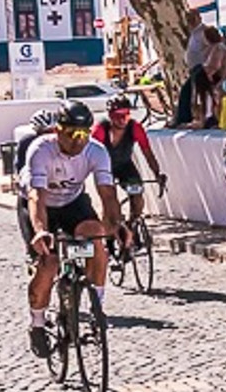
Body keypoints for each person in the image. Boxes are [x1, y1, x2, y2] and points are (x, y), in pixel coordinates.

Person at [21, 101, 123, 358]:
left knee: (96, 238)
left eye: (84, 134)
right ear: (57, 131)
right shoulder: (41, 150)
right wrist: (41, 231)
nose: (78, 141)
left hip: (73, 203)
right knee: (49, 262)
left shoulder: (96, 151)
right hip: (41, 207)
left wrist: (117, 225)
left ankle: (96, 309)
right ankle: (37, 323)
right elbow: (36, 196)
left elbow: (108, 194)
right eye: (71, 134)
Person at [92, 94, 167, 235]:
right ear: (110, 116)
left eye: (125, 115)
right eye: (117, 116)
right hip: (104, 168)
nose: (121, 120)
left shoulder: (135, 127)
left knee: (137, 195)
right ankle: (109, 234)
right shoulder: (101, 130)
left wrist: (157, 173)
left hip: (125, 166)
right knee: (110, 203)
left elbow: (147, 153)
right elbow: (90, 155)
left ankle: (132, 225)